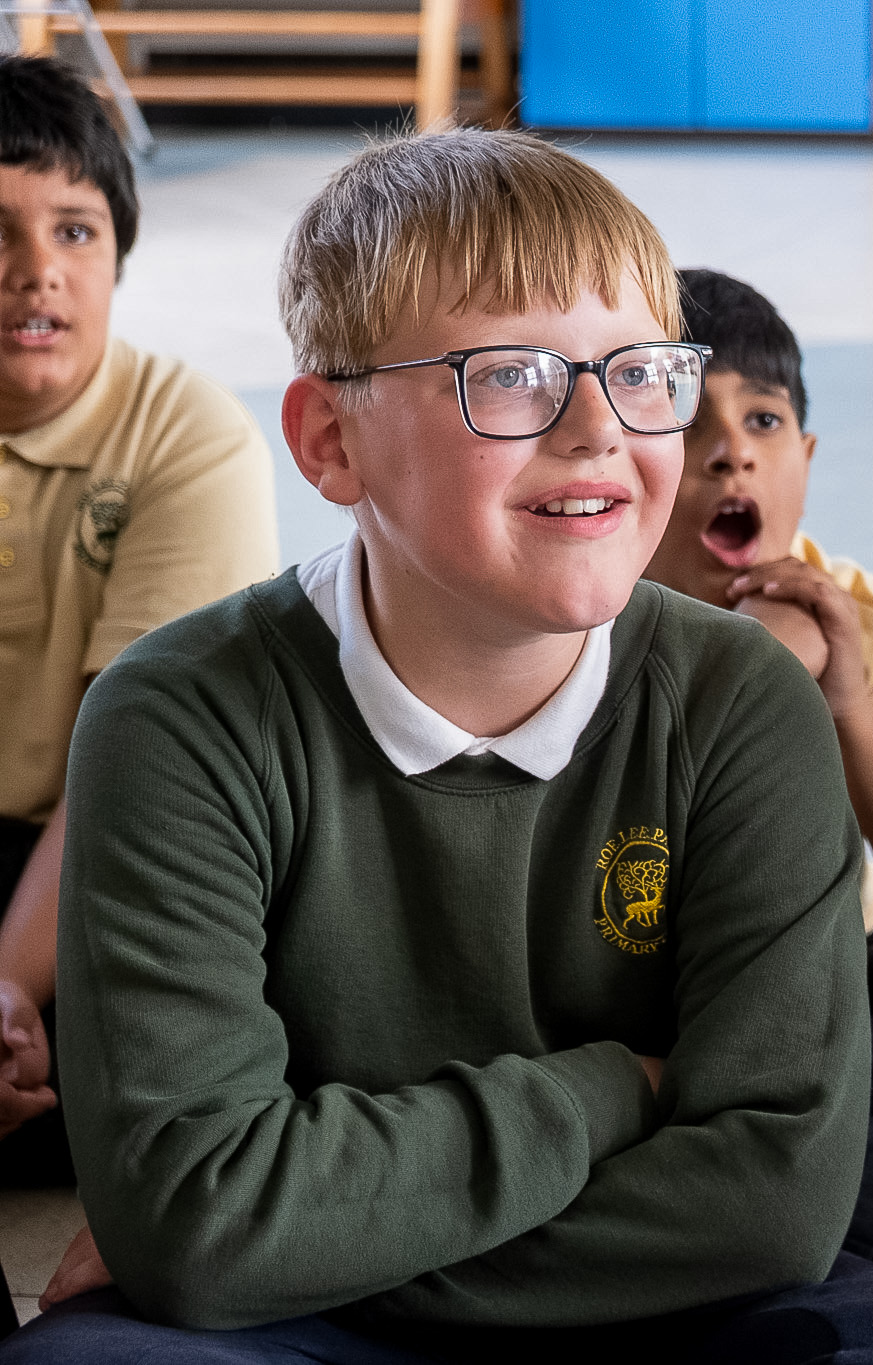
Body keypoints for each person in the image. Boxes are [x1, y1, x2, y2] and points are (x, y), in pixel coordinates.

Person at [0, 129, 873, 1365]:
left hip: (622, 1310)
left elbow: (774, 1206)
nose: (598, 430)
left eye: (639, 372)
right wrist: (619, 1089)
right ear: (330, 441)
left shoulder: (741, 699)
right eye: (510, 376)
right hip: (315, 1334)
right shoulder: (180, 715)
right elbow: (199, 1213)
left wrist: (282, 1239)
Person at [0, 52, 277, 1333]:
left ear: (118, 256)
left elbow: (135, 779)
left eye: (74, 230)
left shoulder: (187, 435)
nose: (37, 270)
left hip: (107, 858)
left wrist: (4, 985)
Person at [642, 268, 873, 1252]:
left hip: (842, 978)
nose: (728, 455)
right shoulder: (574, 620)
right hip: (633, 978)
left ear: (807, 456)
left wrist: (839, 702)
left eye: (762, 422)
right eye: (683, 418)